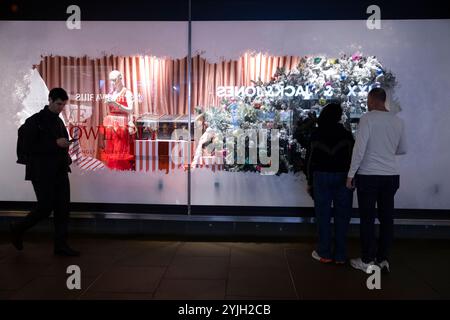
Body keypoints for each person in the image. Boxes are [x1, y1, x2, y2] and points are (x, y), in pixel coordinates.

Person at [11, 88, 80, 256]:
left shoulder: (58, 122)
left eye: (63, 105)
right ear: (50, 100)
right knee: (45, 207)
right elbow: (27, 148)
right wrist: (55, 144)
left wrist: (64, 148)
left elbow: (58, 144)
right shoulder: (35, 121)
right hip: (41, 172)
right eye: (58, 104)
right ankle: (17, 229)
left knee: (63, 208)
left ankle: (61, 246)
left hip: (59, 170)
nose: (61, 107)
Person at [347, 87, 407, 273]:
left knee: (367, 219)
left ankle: (367, 259)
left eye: (367, 100)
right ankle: (383, 259)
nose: (367, 103)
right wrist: (386, 150)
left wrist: (350, 175)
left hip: (369, 175)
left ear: (372, 100)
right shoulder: (398, 121)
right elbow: (402, 149)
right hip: (391, 176)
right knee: (387, 219)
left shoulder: (368, 118)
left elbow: (359, 149)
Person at [306, 103, 355, 264]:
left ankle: (324, 253)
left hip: (321, 177)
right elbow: (352, 159)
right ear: (339, 116)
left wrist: (309, 181)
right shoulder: (347, 135)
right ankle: (340, 255)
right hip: (343, 177)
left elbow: (310, 160)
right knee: (342, 216)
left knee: (323, 216)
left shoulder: (316, 134)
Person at [100, 70, 135, 170]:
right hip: (111, 125)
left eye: (114, 80)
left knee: (120, 150)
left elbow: (131, 109)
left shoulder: (127, 92)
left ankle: (120, 172)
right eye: (111, 80)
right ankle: (113, 172)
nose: (112, 83)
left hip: (121, 125)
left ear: (120, 78)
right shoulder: (112, 93)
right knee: (112, 150)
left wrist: (117, 105)